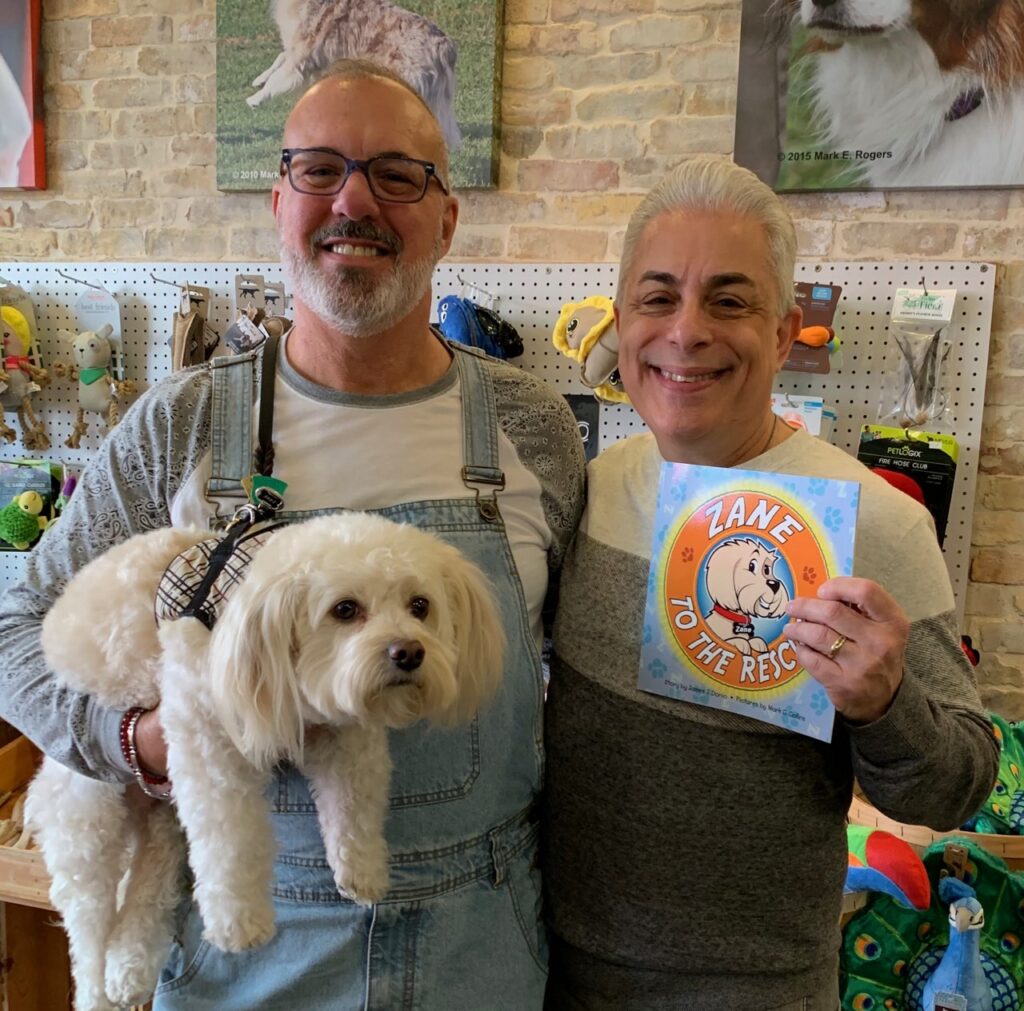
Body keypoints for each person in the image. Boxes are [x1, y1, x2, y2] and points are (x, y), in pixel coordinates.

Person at [0, 59, 584, 1009]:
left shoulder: (532, 428)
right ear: (278, 202)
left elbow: (583, 687)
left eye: (398, 174)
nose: (355, 200)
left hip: (479, 945)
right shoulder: (178, 426)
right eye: (319, 169)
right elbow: (15, 628)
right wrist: (137, 740)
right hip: (243, 952)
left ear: (447, 218)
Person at [541, 156, 999, 1011]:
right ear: (620, 319)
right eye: (657, 297)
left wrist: (883, 702)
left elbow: (959, 784)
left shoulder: (876, 523)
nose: (686, 331)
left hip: (759, 992)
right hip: (556, 968)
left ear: (785, 331)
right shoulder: (591, 488)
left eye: (729, 299)